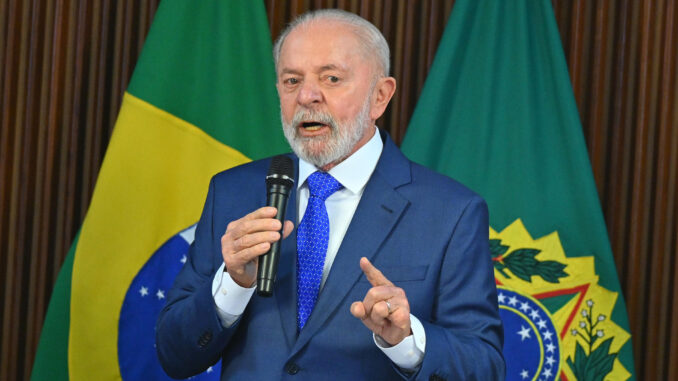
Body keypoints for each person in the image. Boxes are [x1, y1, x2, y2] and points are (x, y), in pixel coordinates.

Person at [156, 9, 504, 380]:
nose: (307, 96)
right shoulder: (234, 191)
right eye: (291, 81)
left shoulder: (451, 212)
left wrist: (406, 341)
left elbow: (485, 367)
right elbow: (174, 356)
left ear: (380, 96)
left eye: (331, 78)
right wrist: (233, 285)